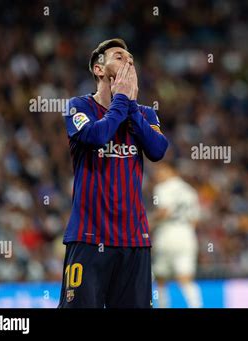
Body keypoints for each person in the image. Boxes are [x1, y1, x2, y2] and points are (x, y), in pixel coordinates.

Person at [58, 38, 168, 308]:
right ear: (99, 69)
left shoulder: (144, 113)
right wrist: (121, 100)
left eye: (131, 59)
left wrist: (129, 106)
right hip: (88, 237)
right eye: (119, 57)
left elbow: (158, 149)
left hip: (134, 240)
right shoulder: (77, 106)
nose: (128, 62)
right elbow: (96, 136)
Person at [151, 163, 202, 308]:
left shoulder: (162, 187)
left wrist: (148, 222)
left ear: (170, 171)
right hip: (187, 234)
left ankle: (162, 306)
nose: (157, 175)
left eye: (160, 171)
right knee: (185, 278)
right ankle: (196, 305)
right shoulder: (189, 190)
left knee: (160, 277)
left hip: (167, 233)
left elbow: (164, 211)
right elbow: (195, 220)